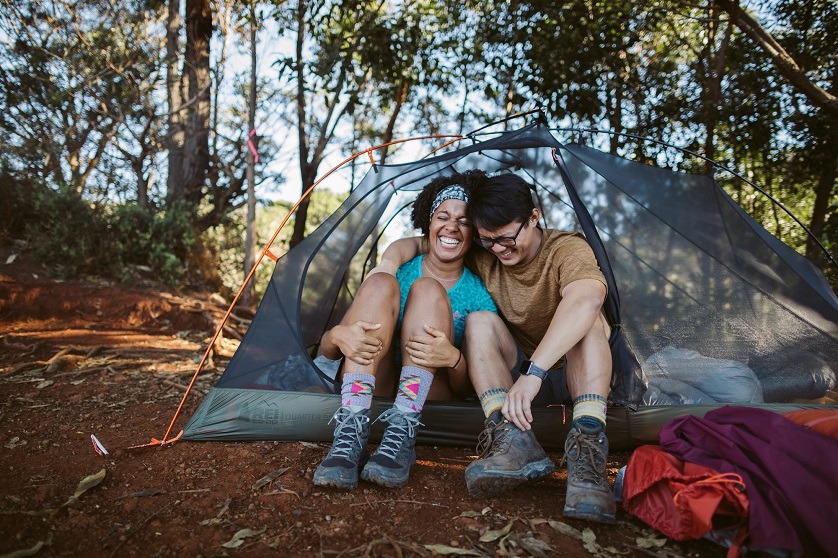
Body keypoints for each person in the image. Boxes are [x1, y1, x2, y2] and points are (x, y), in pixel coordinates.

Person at [383, 171, 616, 524]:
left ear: (533, 217)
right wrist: (386, 263)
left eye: (506, 238)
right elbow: (422, 243)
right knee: (479, 320)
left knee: (588, 321)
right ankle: (512, 439)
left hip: (575, 374)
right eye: (487, 240)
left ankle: (588, 451)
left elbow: (587, 298)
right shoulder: (487, 250)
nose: (498, 249)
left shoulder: (566, 248)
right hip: (514, 386)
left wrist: (534, 373)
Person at [312, 171, 497, 490]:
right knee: (381, 281)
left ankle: (402, 432)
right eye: (443, 216)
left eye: (464, 221)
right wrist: (336, 336)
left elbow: (467, 388)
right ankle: (350, 435)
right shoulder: (396, 268)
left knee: (428, 289)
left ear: (475, 231)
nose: (452, 226)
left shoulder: (479, 295)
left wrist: (453, 358)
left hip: (428, 397)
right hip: (375, 382)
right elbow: (326, 354)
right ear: (429, 222)